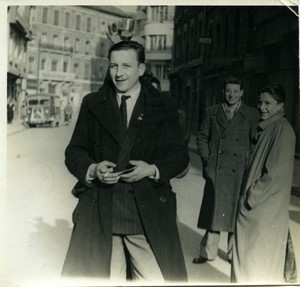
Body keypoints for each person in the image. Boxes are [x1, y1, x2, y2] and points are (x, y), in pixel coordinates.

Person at [62, 40, 189, 283]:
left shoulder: (164, 106)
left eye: (126, 66)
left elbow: (180, 155)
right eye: (113, 66)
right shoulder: (92, 103)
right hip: (103, 213)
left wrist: (152, 169)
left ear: (141, 69)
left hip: (146, 214)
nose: (119, 73)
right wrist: (92, 168)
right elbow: (74, 151)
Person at [231, 83, 296, 283]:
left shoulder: (282, 131)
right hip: (258, 213)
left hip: (261, 212)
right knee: (253, 265)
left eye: (268, 103)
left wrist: (249, 199)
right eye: (260, 102)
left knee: (256, 267)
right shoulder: (269, 128)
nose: (262, 107)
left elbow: (274, 176)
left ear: (281, 105)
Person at [193, 76, 259, 264]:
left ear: (242, 93)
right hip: (216, 170)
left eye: (235, 91)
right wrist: (208, 160)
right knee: (214, 213)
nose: (231, 95)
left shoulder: (251, 114)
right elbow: (202, 137)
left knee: (235, 213)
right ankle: (207, 253)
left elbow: (255, 142)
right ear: (223, 91)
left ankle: (234, 255)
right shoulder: (212, 112)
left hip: (239, 171)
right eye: (228, 91)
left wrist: (248, 163)